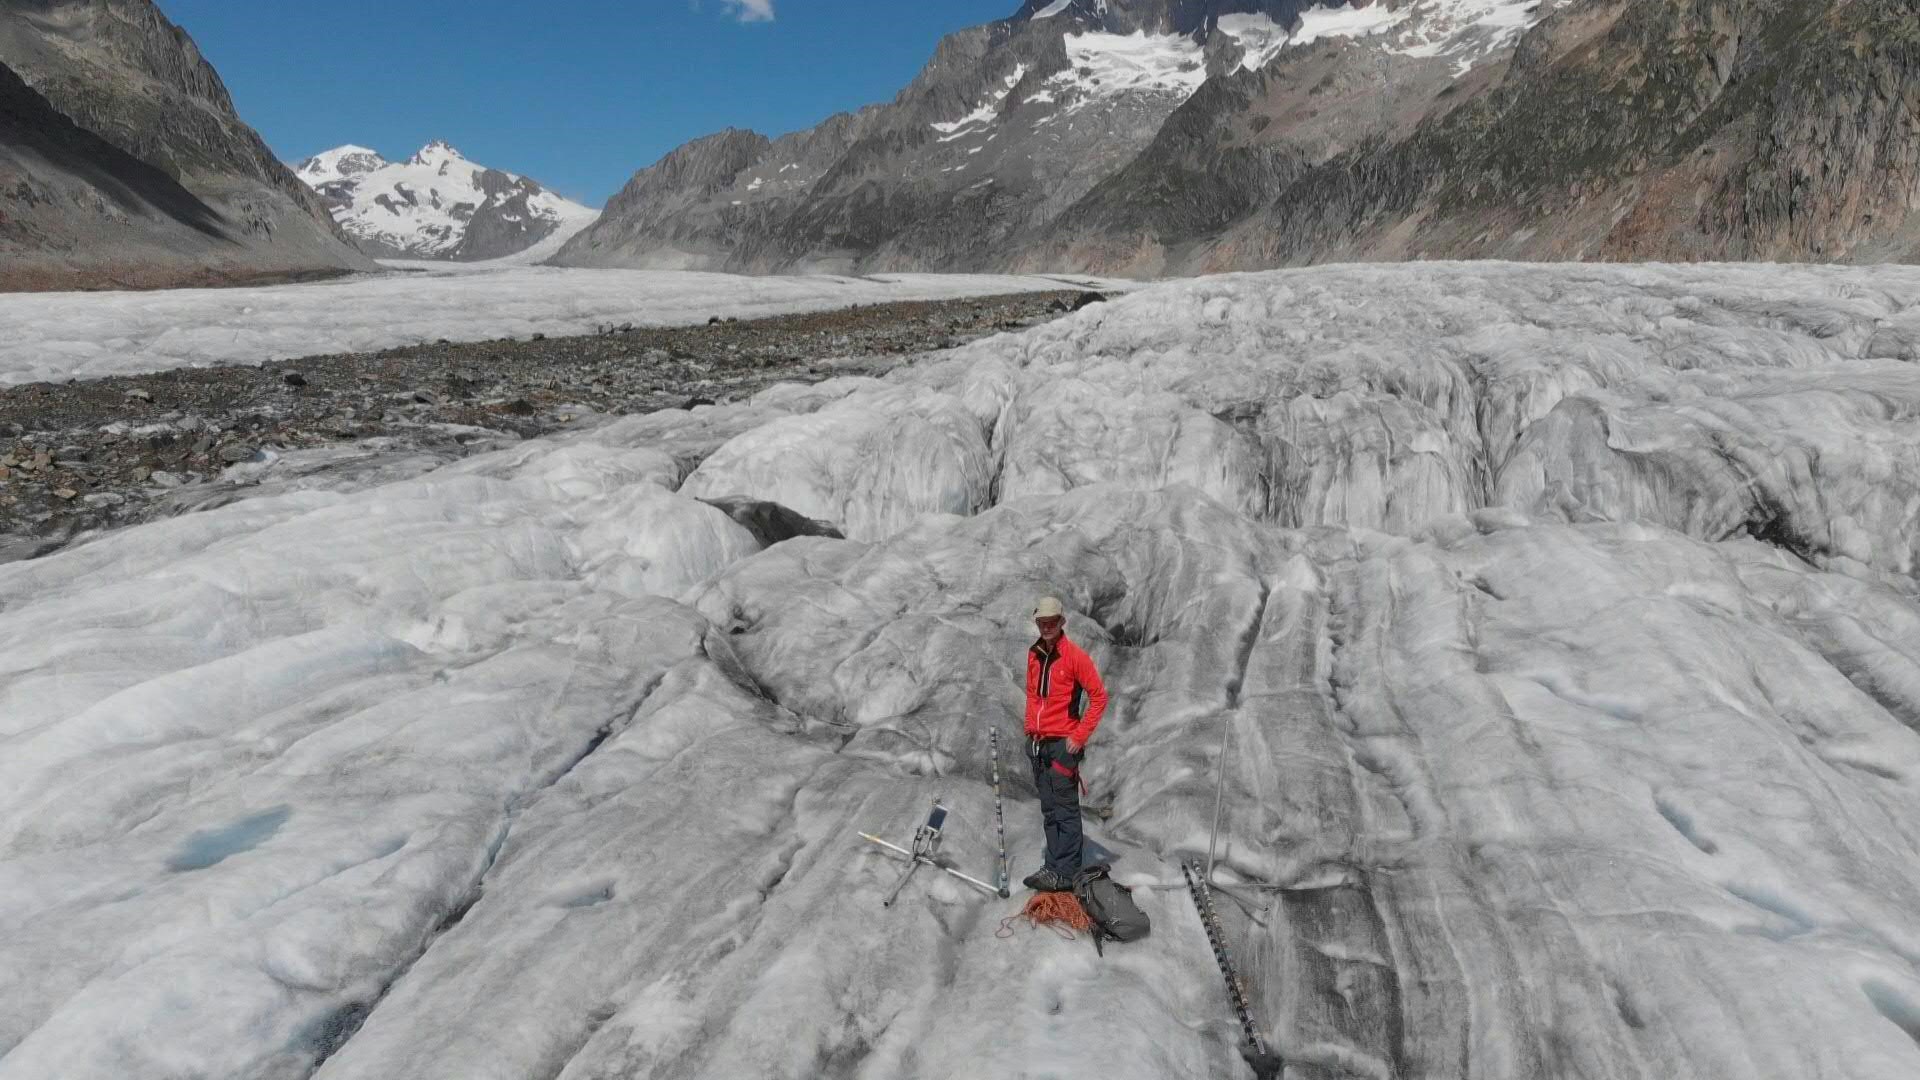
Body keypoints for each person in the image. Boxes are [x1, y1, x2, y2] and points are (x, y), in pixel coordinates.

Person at [1022, 596, 1108, 892]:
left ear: (1061, 622)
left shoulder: (1074, 657)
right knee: (1049, 809)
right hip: (1039, 743)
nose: (1046, 627)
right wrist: (1029, 730)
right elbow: (1034, 697)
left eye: (1051, 622)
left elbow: (1099, 697)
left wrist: (1079, 736)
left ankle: (1068, 873)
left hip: (1063, 745)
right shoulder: (1034, 655)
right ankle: (1053, 866)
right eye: (1042, 622)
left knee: (1066, 811)